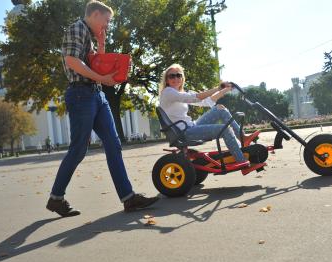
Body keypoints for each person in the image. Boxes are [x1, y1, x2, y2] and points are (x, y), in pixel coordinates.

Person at [46, 1, 159, 217]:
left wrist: (101, 44)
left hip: (96, 94)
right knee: (78, 150)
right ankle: (56, 198)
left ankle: (128, 198)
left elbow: (96, 62)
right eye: (106, 21)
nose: (107, 25)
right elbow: (71, 61)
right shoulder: (77, 28)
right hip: (81, 94)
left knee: (113, 144)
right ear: (95, 14)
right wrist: (100, 78)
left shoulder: (89, 33)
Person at [158, 64, 265, 175]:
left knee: (220, 109)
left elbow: (207, 101)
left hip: (191, 126)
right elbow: (196, 97)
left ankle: (242, 137)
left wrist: (225, 90)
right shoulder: (168, 92)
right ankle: (243, 163)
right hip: (184, 132)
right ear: (166, 79)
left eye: (178, 75)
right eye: (172, 76)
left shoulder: (181, 93)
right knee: (225, 129)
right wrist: (218, 87)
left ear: (182, 78)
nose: (175, 78)